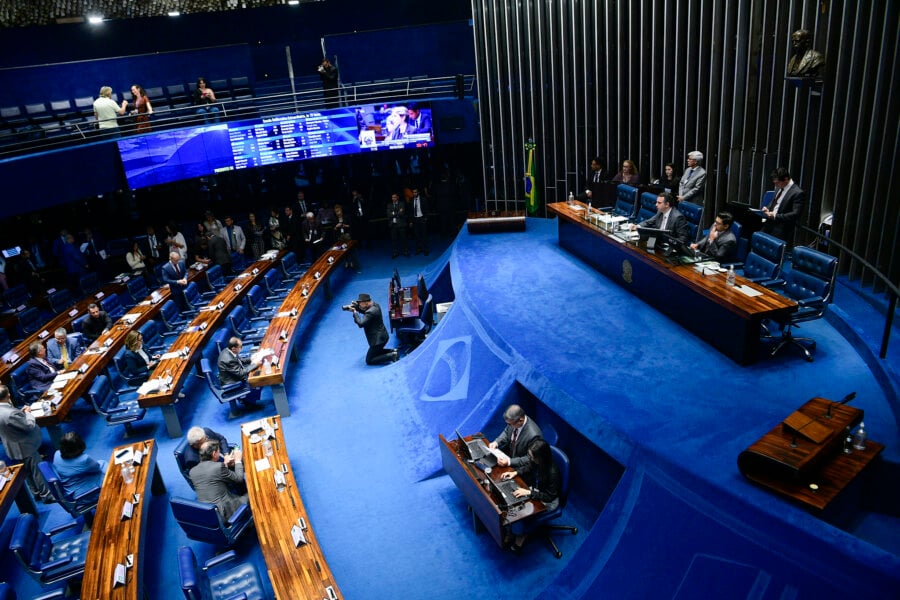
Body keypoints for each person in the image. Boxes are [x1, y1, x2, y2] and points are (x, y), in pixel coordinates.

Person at [500, 438, 561, 551]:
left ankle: (520, 534)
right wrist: (515, 472)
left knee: (519, 512)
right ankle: (512, 530)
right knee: (512, 501)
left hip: (548, 501)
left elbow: (549, 497)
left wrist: (529, 492)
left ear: (541, 458)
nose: (531, 459)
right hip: (536, 490)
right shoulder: (537, 462)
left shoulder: (553, 473)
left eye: (533, 457)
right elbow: (529, 467)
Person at [0, 385, 53, 503]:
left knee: (26, 472)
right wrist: (28, 413)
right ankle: (47, 495)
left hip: (11, 446)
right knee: (37, 470)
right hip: (25, 446)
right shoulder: (9, 413)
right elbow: (28, 426)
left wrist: (20, 413)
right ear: (8, 395)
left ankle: (36, 493)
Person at [190, 440, 247, 520]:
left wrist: (225, 464)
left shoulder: (192, 471)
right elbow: (239, 478)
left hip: (207, 514)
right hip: (225, 511)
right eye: (218, 452)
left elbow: (212, 478)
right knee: (253, 495)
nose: (219, 454)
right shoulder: (218, 467)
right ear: (214, 454)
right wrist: (237, 460)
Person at [53, 431, 107, 506]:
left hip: (70, 490)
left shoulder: (57, 454)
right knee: (110, 472)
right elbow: (97, 468)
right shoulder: (84, 459)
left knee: (102, 463)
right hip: (84, 496)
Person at [761, 167, 806, 246]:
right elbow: (774, 202)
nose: (775, 185)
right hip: (769, 225)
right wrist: (768, 208)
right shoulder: (779, 187)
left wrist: (775, 216)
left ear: (786, 179)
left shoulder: (798, 193)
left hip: (781, 229)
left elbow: (795, 214)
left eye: (777, 183)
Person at [350, 293, 398, 365]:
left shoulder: (370, 312)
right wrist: (357, 308)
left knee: (369, 360)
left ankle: (392, 355)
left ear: (366, 303)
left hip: (377, 341)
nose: (359, 305)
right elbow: (366, 313)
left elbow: (361, 323)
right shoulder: (375, 305)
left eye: (360, 303)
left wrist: (355, 312)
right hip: (383, 336)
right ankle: (393, 351)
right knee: (376, 352)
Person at [489, 404, 543, 469]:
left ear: (520, 420)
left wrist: (509, 462)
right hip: (508, 455)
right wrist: (496, 442)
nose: (509, 425)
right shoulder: (513, 421)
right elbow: (506, 432)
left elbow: (530, 458)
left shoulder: (534, 435)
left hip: (521, 467)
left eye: (510, 424)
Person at [217, 337, 263, 404]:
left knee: (256, 372)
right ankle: (249, 402)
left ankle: (247, 399)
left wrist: (253, 358)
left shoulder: (229, 350)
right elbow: (240, 373)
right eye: (240, 347)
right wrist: (255, 364)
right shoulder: (228, 359)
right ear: (233, 348)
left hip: (233, 374)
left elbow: (240, 360)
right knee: (257, 378)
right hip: (231, 381)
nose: (242, 348)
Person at [409, 187, 430, 256]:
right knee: (417, 236)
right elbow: (410, 211)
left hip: (422, 218)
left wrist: (425, 218)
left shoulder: (423, 199)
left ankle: (426, 250)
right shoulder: (411, 200)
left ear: (418, 192)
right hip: (415, 219)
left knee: (424, 235)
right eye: (413, 192)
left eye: (415, 192)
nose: (414, 193)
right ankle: (419, 249)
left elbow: (427, 209)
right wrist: (411, 221)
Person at [387, 193, 408, 258]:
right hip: (393, 225)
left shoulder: (402, 204)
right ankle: (395, 253)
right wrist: (397, 212)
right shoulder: (389, 205)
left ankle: (405, 251)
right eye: (392, 197)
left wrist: (393, 213)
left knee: (403, 239)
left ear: (397, 197)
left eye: (395, 197)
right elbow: (389, 215)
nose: (393, 198)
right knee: (394, 240)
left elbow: (402, 213)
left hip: (401, 224)